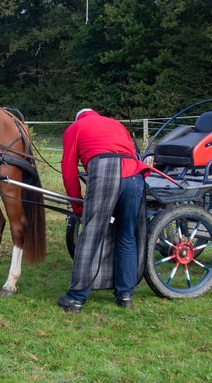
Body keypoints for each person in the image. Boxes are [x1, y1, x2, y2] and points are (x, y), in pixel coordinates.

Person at [58, 108, 149, 313]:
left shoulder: (75, 128)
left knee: (91, 234)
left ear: (78, 117)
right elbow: (131, 152)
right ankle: (124, 294)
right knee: (127, 234)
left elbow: (69, 171)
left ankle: (76, 298)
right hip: (134, 173)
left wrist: (78, 207)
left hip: (105, 171)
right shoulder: (116, 124)